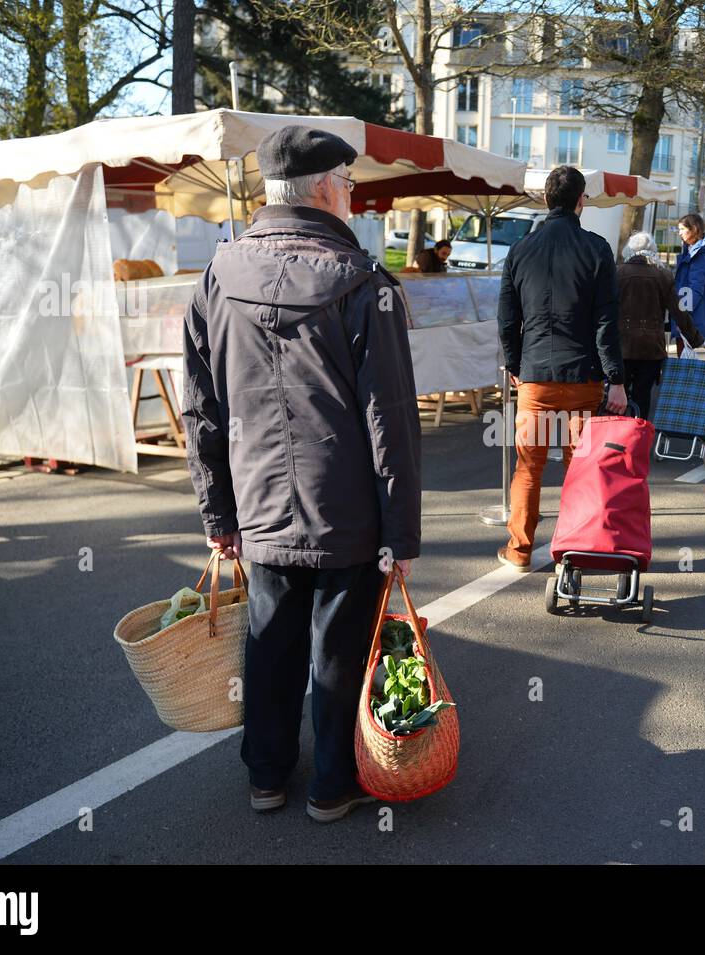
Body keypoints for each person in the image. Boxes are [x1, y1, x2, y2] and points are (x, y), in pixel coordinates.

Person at [182, 126, 421, 824]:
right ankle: (330, 782)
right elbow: (391, 419)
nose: (353, 195)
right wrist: (400, 529)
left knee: (270, 637)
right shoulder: (363, 283)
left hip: (257, 502)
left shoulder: (215, 277)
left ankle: (266, 773)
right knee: (337, 647)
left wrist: (218, 515)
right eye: (348, 183)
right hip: (344, 507)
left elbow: (199, 408)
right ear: (322, 188)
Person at [497, 165, 627, 570]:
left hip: (535, 377)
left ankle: (519, 550)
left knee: (529, 467)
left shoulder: (520, 249)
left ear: (545, 200)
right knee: (580, 467)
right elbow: (607, 319)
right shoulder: (597, 248)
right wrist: (616, 378)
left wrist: (515, 362)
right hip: (583, 376)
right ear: (580, 201)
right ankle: (576, 549)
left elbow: (506, 317)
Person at [617, 232, 703, 419]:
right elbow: (679, 311)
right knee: (642, 395)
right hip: (651, 348)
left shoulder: (617, 273)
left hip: (620, 347)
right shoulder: (663, 275)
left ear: (629, 250)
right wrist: (695, 338)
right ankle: (638, 438)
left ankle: (616, 440)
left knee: (618, 396)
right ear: (652, 250)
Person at [674, 213, 705, 355]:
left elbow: (696, 287)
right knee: (686, 357)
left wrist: (684, 315)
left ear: (693, 229)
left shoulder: (699, 254)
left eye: (682, 229)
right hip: (689, 308)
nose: (679, 233)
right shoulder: (693, 251)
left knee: (685, 360)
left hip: (691, 312)